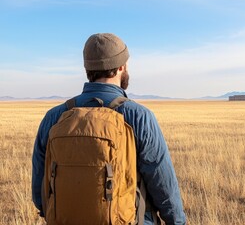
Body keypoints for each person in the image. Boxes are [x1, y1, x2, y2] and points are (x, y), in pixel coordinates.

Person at [32, 33, 187, 225]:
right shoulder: (138, 117)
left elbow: (39, 192)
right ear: (121, 67)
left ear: (87, 68)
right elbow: (163, 186)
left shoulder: (54, 117)